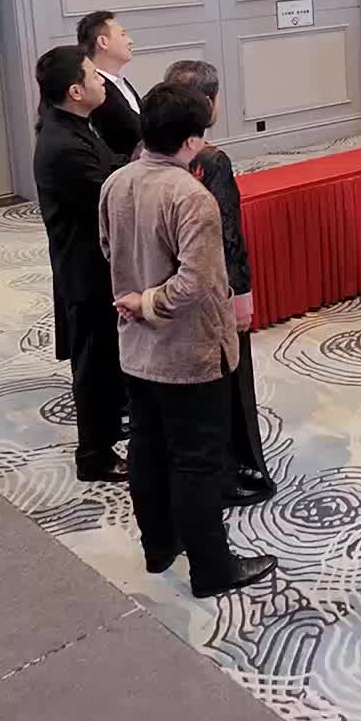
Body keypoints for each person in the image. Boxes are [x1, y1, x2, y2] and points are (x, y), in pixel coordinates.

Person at [99, 82, 277, 598]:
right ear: (193, 140)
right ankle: (212, 569)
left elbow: (108, 248)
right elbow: (197, 283)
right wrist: (149, 302)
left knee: (148, 447)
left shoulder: (116, 182)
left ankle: (159, 547)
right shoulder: (192, 197)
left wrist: (136, 299)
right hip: (188, 351)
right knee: (197, 460)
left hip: (136, 347)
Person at [166, 59, 275, 503]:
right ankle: (233, 470)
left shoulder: (146, 155)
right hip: (211, 289)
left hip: (166, 289)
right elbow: (228, 235)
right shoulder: (211, 161)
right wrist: (241, 294)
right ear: (208, 103)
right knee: (230, 381)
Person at [33, 46, 126, 483]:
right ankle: (95, 455)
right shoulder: (64, 145)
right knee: (94, 366)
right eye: (93, 74)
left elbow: (113, 168)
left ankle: (109, 430)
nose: (101, 80)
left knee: (104, 360)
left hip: (93, 264)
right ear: (75, 91)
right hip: (86, 272)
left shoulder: (73, 127)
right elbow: (111, 195)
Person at [76, 11, 142, 157]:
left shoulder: (119, 82)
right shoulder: (96, 93)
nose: (130, 41)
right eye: (123, 34)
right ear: (103, 42)